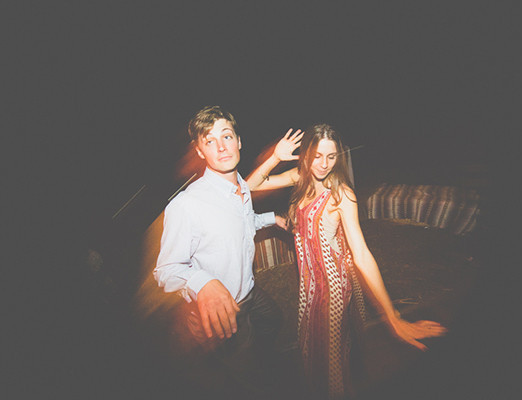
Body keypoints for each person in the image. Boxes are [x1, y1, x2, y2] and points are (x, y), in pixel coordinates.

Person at [247, 124, 447, 399]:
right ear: (305, 155)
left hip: (333, 289)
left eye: (331, 157)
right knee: (311, 351)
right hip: (309, 287)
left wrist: (394, 317)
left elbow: (361, 254)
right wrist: (275, 158)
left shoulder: (341, 195)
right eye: (317, 156)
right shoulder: (299, 177)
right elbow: (249, 187)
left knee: (331, 365)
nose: (324, 164)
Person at [153, 105, 288, 398]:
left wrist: (272, 218)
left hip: (249, 291)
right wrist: (204, 283)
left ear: (239, 140)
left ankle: (251, 360)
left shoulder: (241, 186)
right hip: (224, 311)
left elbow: (242, 222)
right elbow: (166, 270)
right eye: (209, 141)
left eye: (226, 136)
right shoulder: (187, 205)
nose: (221, 147)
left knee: (273, 319)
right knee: (252, 380)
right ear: (200, 151)